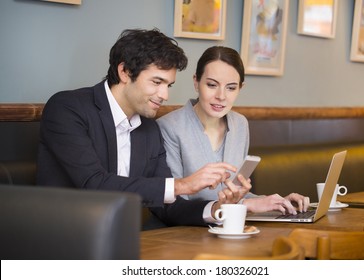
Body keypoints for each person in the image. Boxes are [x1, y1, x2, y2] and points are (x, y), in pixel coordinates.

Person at [36, 29, 251, 228]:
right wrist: (182, 185)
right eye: (157, 82)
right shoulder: (68, 108)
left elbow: (168, 206)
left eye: (168, 85)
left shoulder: (149, 129)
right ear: (125, 72)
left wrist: (216, 210)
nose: (164, 95)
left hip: (125, 244)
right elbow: (94, 184)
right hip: (63, 240)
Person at [157, 46, 310, 215]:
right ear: (196, 82)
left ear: (240, 88)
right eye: (212, 85)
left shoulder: (240, 124)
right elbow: (174, 203)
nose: (221, 96)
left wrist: (275, 203)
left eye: (231, 87)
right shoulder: (169, 127)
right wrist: (242, 205)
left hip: (227, 228)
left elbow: (235, 197)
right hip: (184, 232)